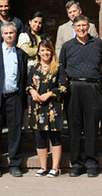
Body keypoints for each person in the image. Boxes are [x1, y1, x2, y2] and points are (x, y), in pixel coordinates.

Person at [59, 15, 102, 178]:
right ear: (73, 28)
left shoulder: (98, 43)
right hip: (73, 88)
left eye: (84, 25)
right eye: (78, 26)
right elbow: (62, 67)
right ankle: (76, 164)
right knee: (74, 127)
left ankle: (92, 163)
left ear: (89, 26)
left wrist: (90, 78)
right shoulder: (67, 46)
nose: (81, 28)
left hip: (92, 87)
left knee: (92, 127)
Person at [0, 22, 28, 178]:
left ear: (15, 34)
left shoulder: (21, 54)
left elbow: (24, 78)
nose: (9, 35)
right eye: (6, 33)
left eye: (11, 33)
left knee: (15, 132)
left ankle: (14, 164)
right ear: (1, 35)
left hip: (14, 97)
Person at [26, 39, 69, 178]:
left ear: (52, 51)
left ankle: (55, 168)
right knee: (40, 138)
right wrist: (32, 91)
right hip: (37, 108)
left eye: (48, 50)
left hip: (53, 108)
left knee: (55, 137)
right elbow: (28, 85)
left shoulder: (58, 67)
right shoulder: (34, 67)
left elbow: (64, 87)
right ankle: (43, 167)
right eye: (42, 50)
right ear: (38, 52)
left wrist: (49, 94)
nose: (45, 53)